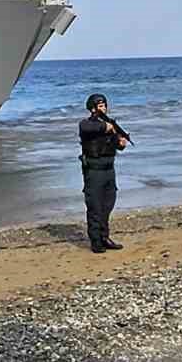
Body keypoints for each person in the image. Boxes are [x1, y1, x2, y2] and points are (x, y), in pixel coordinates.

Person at [78, 93, 130, 254]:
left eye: (104, 105)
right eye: (100, 106)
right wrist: (106, 127)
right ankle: (96, 242)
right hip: (94, 171)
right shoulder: (87, 124)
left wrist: (121, 142)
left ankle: (104, 237)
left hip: (109, 170)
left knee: (108, 205)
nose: (103, 108)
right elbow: (87, 128)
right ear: (92, 108)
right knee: (95, 206)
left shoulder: (111, 125)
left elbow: (116, 144)